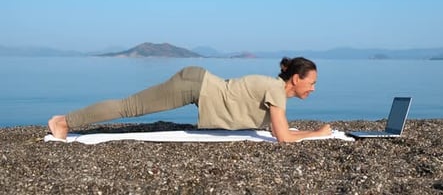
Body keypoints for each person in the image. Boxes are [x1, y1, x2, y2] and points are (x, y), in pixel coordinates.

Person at [48, 57, 332, 142]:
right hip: (195, 85)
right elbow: (283, 137)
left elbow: (277, 129)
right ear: (296, 79)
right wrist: (317, 133)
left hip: (198, 84)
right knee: (130, 107)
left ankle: (66, 121)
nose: (313, 88)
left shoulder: (276, 94)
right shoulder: (274, 89)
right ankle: (65, 122)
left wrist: (305, 132)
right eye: (312, 83)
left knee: (130, 107)